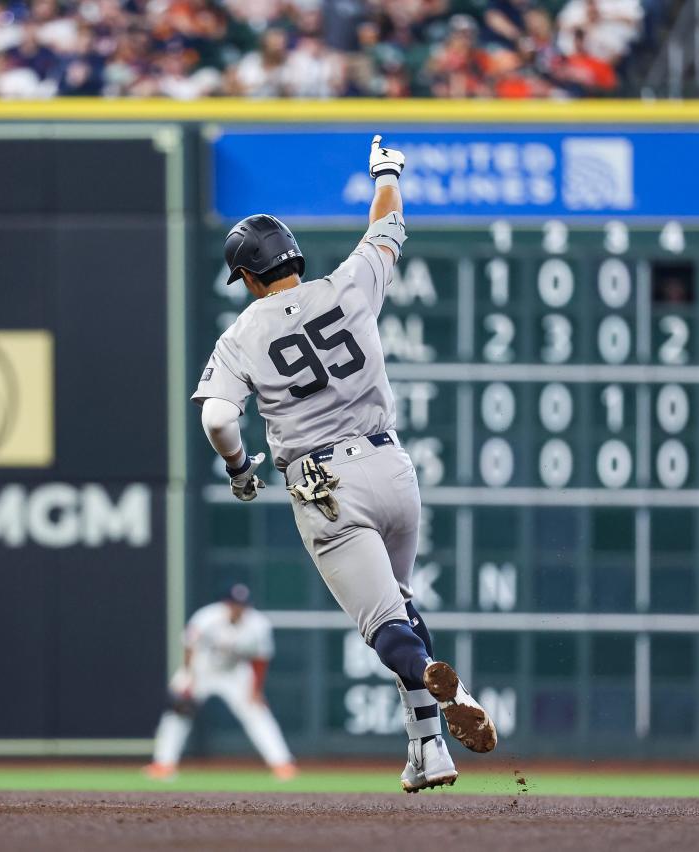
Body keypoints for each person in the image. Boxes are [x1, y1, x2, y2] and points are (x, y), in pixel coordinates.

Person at [191, 136, 496, 794]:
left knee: (386, 631)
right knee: (400, 606)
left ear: (246, 276)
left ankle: (453, 689)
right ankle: (427, 751)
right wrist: (385, 170)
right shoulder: (348, 284)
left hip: (325, 486)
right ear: (293, 256)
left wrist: (240, 469)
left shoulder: (240, 334)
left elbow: (217, 419)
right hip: (392, 470)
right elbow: (387, 219)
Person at [145, 584, 296, 781]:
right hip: (201, 668)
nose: (237, 608)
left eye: (242, 605)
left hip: (235, 672)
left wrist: (256, 690)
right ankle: (163, 764)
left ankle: (282, 764)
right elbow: (190, 648)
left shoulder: (258, 624)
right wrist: (188, 680)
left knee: (257, 712)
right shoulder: (207, 617)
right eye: (234, 604)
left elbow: (261, 659)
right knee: (177, 712)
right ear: (226, 603)